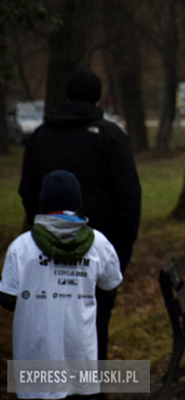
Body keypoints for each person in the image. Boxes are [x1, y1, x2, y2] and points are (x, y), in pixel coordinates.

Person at [18, 70, 141, 361]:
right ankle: (89, 387)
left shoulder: (41, 136)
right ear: (97, 96)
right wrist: (123, 243)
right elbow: (128, 192)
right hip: (102, 245)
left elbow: (27, 190)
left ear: (68, 94)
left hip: (45, 246)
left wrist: (39, 231)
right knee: (95, 317)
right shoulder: (111, 136)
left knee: (49, 316)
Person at [1, 170, 122, 399]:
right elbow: (109, 286)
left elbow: (8, 299)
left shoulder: (21, 247)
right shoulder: (99, 243)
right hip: (81, 357)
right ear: (77, 202)